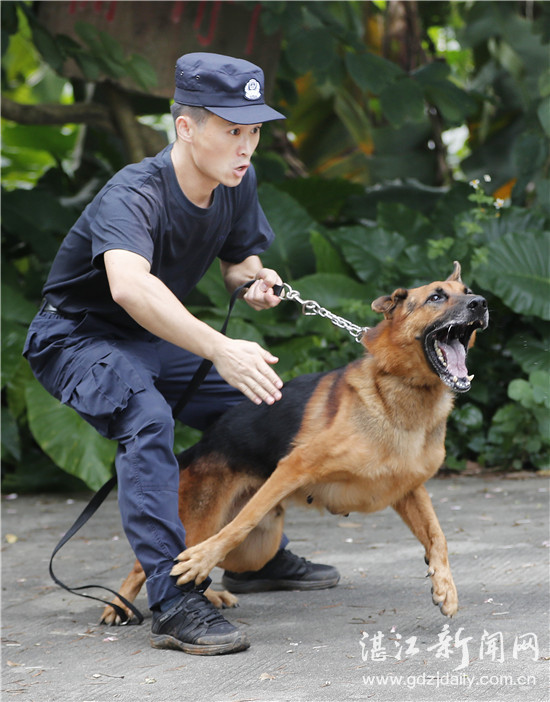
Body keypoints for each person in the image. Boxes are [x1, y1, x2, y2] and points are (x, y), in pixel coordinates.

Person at [24, 52, 340, 656]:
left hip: (154, 340)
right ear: (186, 127)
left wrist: (253, 281)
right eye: (231, 130)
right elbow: (129, 286)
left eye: (253, 132)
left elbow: (237, 264)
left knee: (267, 403)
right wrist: (219, 346)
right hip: (76, 339)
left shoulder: (236, 181)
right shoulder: (134, 192)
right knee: (148, 421)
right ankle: (172, 599)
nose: (246, 147)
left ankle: (252, 557)